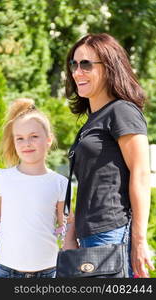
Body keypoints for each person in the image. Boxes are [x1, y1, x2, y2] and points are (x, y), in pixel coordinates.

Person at [63, 33, 155, 278]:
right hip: (90, 235)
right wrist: (71, 238)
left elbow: (141, 174)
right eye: (74, 64)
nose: (77, 72)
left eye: (86, 64)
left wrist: (139, 240)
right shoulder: (91, 122)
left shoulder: (122, 111)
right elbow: (86, 187)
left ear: (110, 67)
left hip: (113, 232)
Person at [0, 98, 69, 278]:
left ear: (49, 140)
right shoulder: (3, 178)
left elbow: (66, 232)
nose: (27, 143)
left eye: (34, 136)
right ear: (14, 142)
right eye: (20, 138)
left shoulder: (60, 183)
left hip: (49, 272)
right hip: (5, 272)